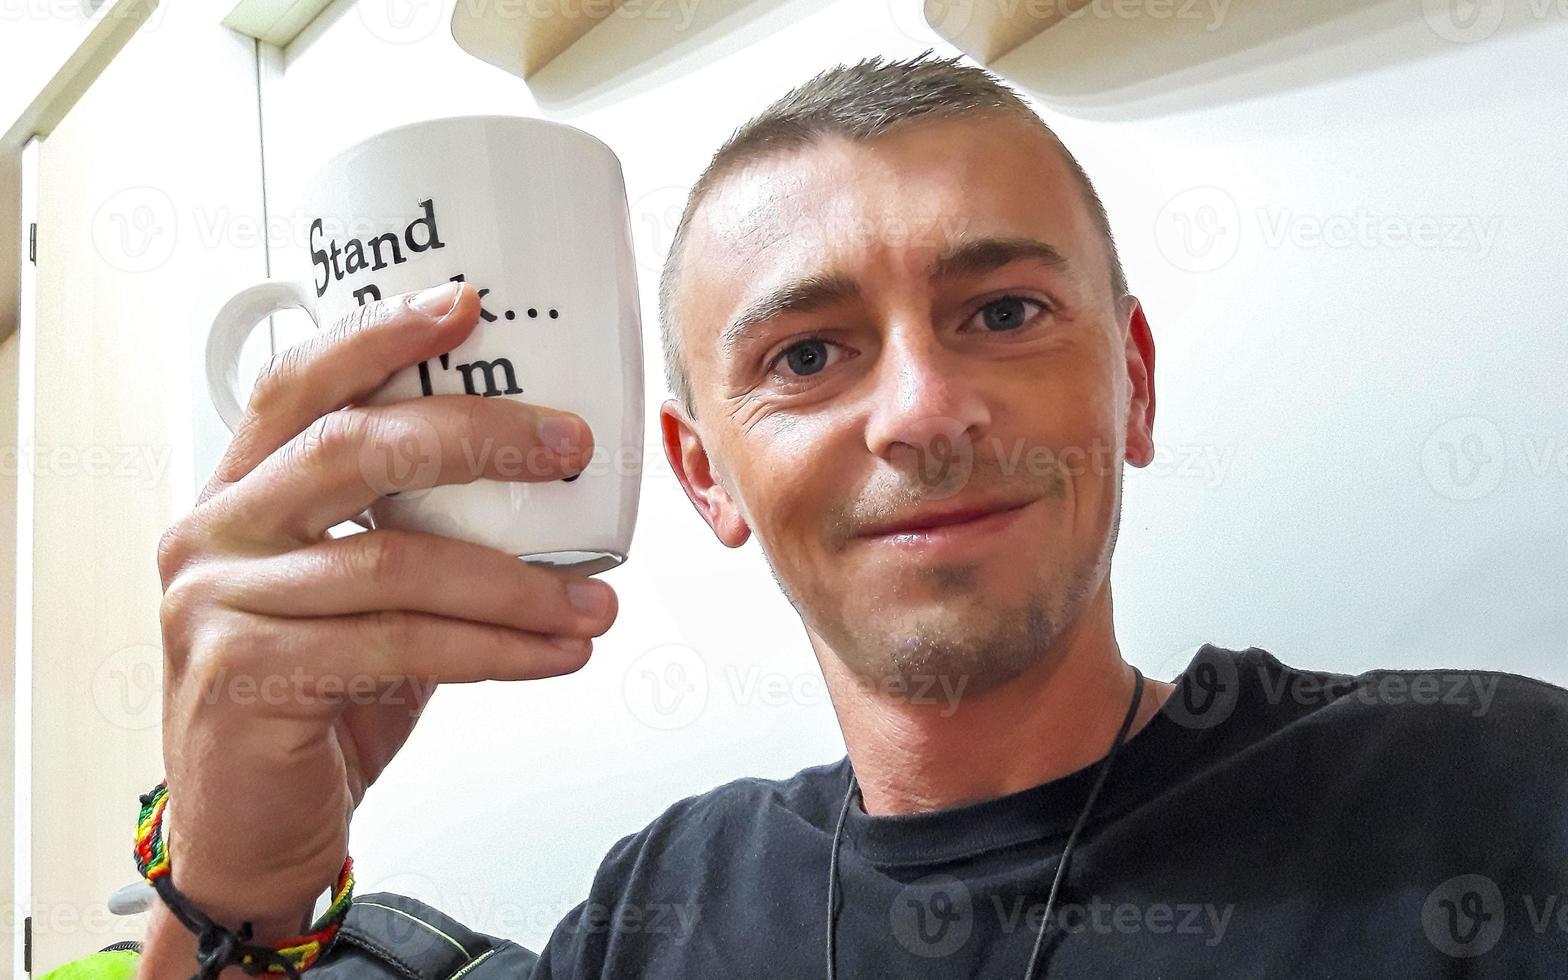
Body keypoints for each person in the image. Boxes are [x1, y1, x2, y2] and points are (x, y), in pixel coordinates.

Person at [51, 51, 1565, 980]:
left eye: (1005, 309)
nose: (919, 411)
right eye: (807, 354)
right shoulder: (666, 899)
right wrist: (234, 884)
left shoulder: (1486, 792)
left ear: (1134, 387)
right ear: (701, 472)